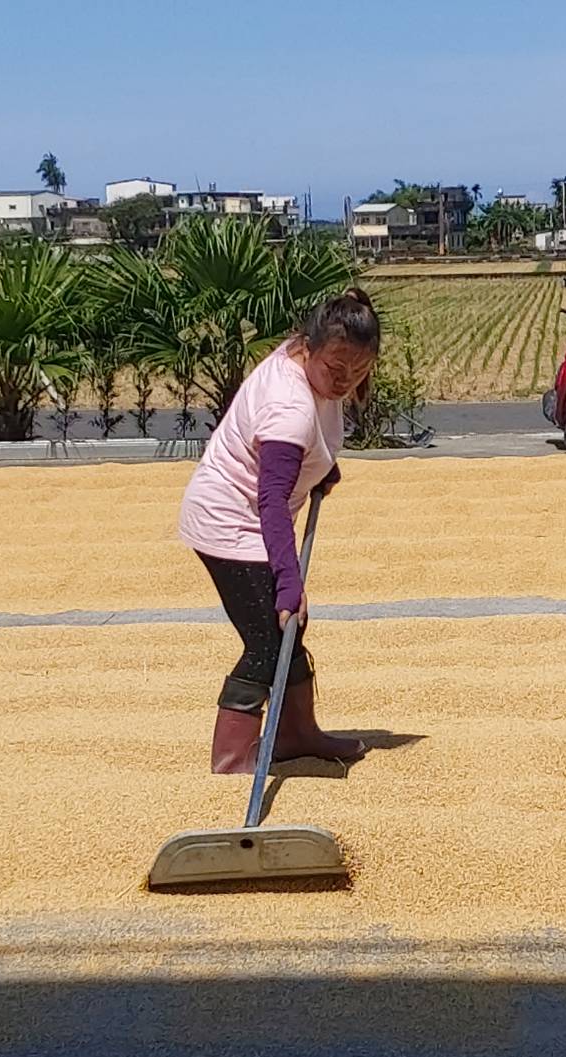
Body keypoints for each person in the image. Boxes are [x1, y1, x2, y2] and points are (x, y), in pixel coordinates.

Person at [178, 289, 381, 774]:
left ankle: (295, 734)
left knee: (288, 628)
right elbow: (270, 500)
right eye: (336, 368)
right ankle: (231, 757)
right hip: (230, 522)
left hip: (250, 517)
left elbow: (302, 448)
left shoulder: (305, 354)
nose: (346, 380)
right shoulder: (288, 405)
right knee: (269, 639)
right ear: (309, 349)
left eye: (359, 370)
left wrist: (319, 469)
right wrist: (289, 582)